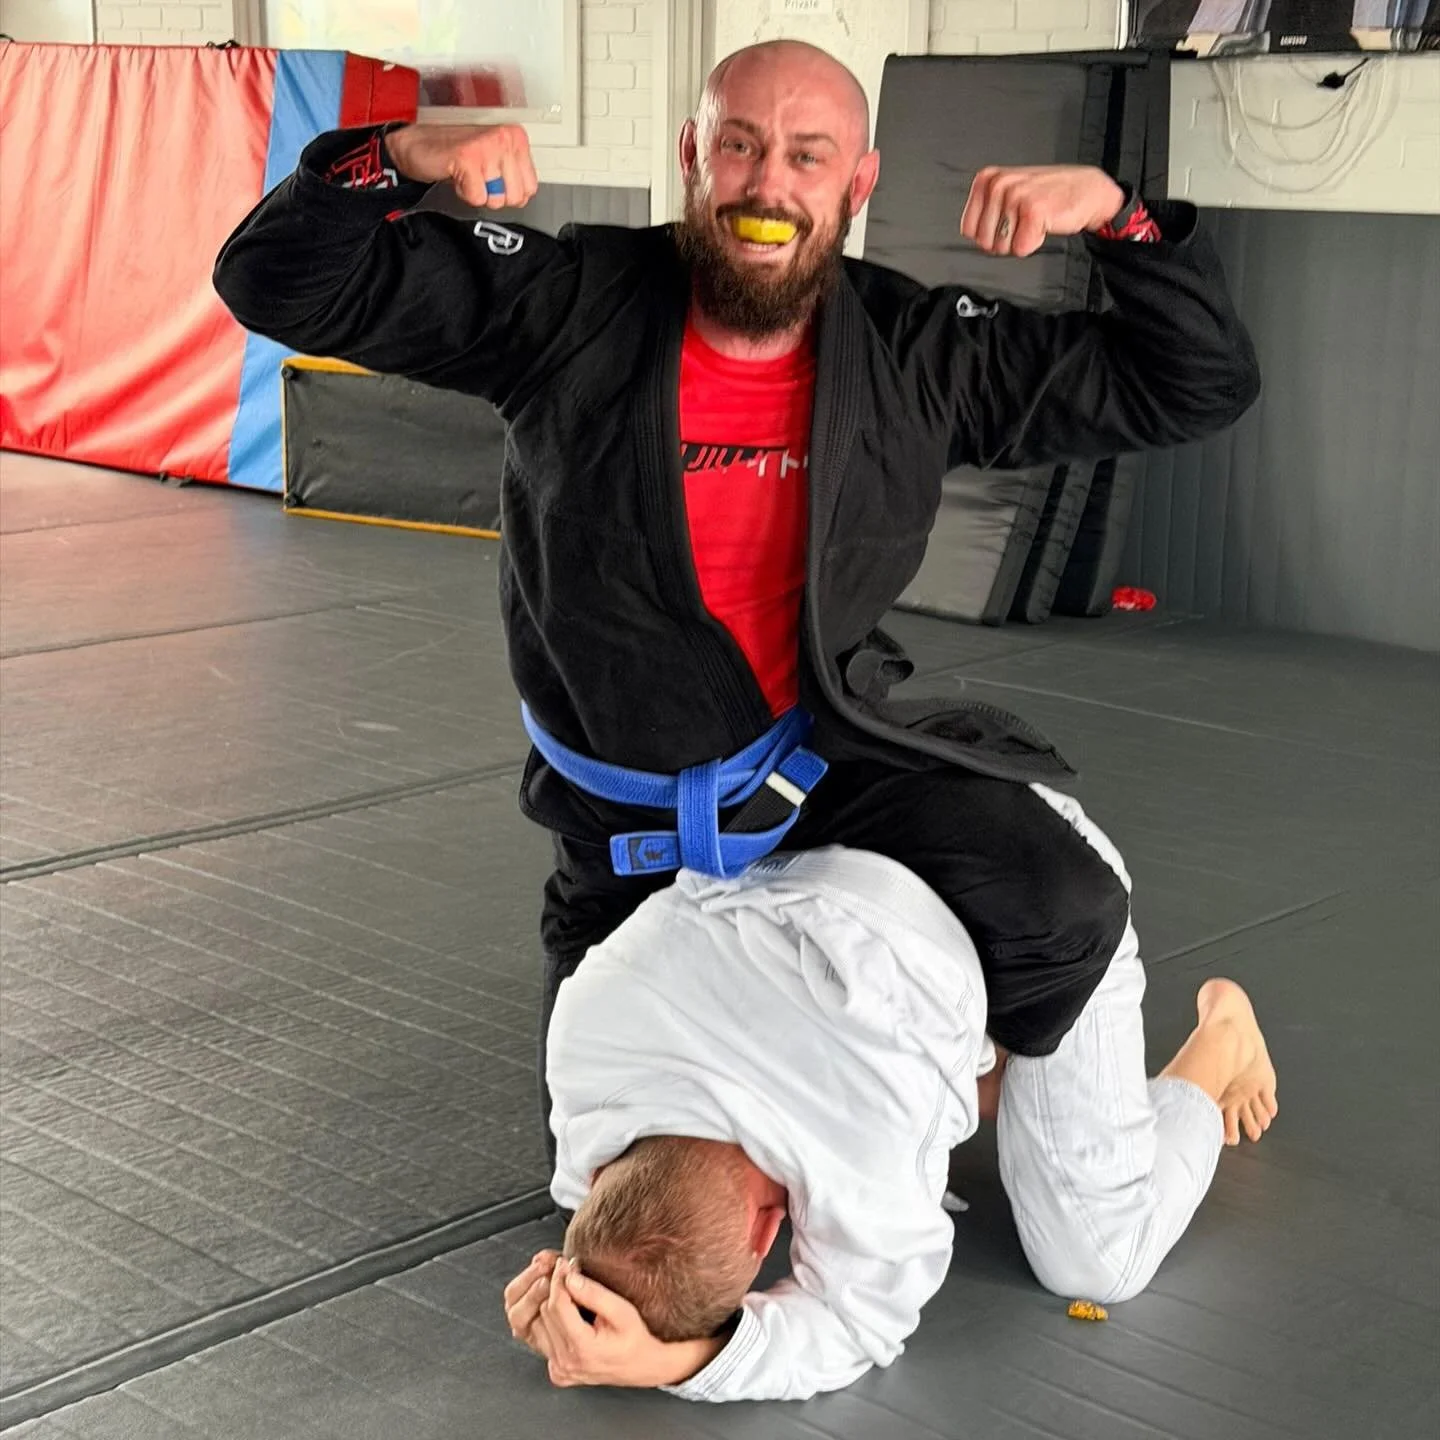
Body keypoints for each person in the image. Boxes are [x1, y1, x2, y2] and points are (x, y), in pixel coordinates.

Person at [212, 40, 1262, 1145]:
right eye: (741, 146)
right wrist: (397, 157)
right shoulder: (569, 306)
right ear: (692, 154)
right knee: (614, 1177)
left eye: (808, 157)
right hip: (629, 824)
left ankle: (982, 1072)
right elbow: (273, 279)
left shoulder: (914, 354)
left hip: (823, 766)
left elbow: (1196, 380)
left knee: (1063, 907)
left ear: (859, 183)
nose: (768, 186)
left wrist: (1118, 219)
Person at [500, 793, 1278, 1404]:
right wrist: (576, 1281)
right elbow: (596, 1191)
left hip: (1045, 902)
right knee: (957, 1086)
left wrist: (679, 1361)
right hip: (855, 818)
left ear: (769, 1226)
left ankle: (1222, 1039)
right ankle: (1005, 1074)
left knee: (1098, 1259)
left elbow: (854, 1326)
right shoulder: (581, 1036)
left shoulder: (864, 1136)